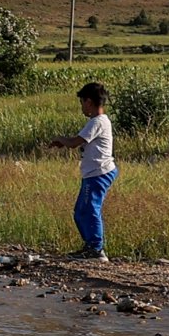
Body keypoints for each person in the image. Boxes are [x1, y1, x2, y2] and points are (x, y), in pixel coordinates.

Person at [47, 80, 116, 259]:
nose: (82, 108)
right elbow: (79, 141)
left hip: (98, 173)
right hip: (94, 173)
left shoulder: (97, 122)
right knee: (80, 211)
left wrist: (60, 139)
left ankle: (96, 249)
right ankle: (90, 246)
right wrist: (65, 142)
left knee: (90, 209)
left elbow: (74, 143)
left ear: (89, 102)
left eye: (82, 103)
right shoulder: (99, 122)